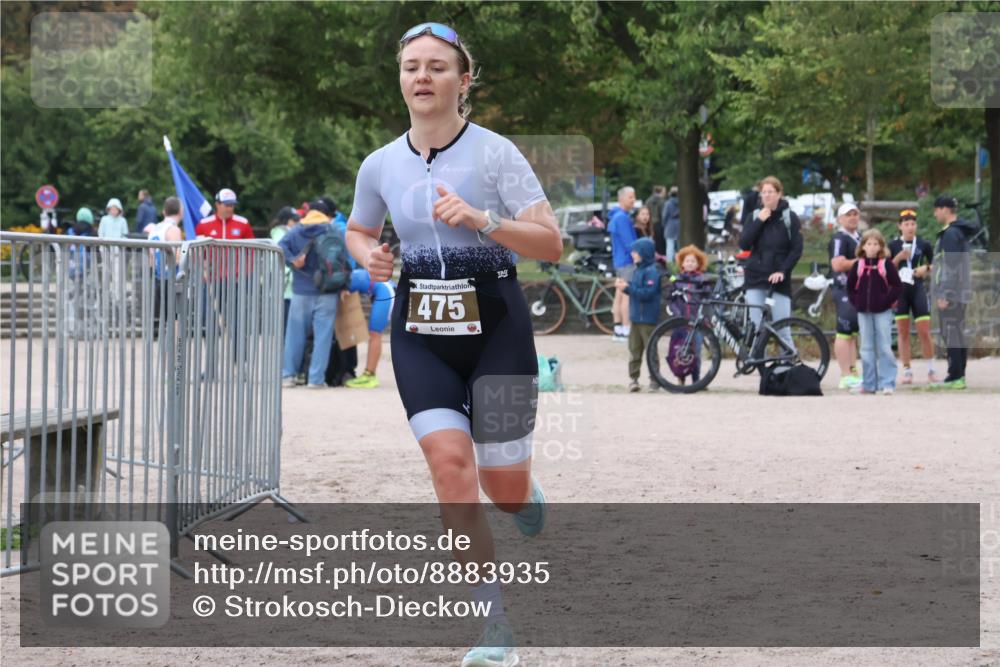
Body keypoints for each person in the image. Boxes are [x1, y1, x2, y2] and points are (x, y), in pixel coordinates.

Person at [344, 22, 561, 667]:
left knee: (503, 487)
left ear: (463, 81)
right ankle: (494, 630)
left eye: (437, 67)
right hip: (421, 332)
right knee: (449, 468)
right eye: (411, 66)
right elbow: (359, 230)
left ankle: (523, 494)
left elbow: (550, 243)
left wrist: (483, 220)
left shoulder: (497, 154)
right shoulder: (380, 164)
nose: (422, 77)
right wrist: (369, 258)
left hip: (497, 328)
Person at [279, 201, 341, 389]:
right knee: (323, 337)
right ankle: (316, 379)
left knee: (295, 335)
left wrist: (292, 260)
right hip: (328, 289)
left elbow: (280, 247)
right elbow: (344, 258)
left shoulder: (297, 230)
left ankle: (288, 375)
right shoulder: (334, 230)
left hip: (301, 290)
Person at [738, 176, 803, 344]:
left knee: (782, 329)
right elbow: (744, 244)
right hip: (755, 278)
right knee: (756, 329)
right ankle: (759, 360)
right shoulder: (754, 216)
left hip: (778, 281)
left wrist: (782, 271)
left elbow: (796, 250)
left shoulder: (790, 218)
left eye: (770, 192)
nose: (766, 195)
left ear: (779, 194)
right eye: (764, 192)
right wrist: (759, 221)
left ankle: (787, 359)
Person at [931, 194, 979, 390]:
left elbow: (951, 265)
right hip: (960, 290)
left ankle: (955, 376)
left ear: (944, 209)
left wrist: (945, 294)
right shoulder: (958, 232)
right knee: (956, 332)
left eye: (936, 210)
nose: (934, 214)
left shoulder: (951, 233)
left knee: (950, 332)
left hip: (953, 292)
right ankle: (959, 375)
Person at [847, 229, 903, 395]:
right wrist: (857, 302)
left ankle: (887, 383)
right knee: (866, 348)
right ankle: (869, 384)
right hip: (863, 312)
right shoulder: (858, 266)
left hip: (883, 312)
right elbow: (850, 288)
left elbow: (897, 286)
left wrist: (886, 301)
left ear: (880, 247)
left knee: (884, 346)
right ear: (863, 246)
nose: (872, 247)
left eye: (875, 244)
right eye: (868, 244)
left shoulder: (886, 265)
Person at [888, 209, 937, 385]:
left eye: (913, 224)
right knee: (903, 332)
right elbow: (886, 269)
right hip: (900, 292)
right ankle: (907, 370)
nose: (910, 227)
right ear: (900, 226)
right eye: (906, 224)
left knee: (924, 331)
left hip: (917, 289)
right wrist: (898, 258)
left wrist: (927, 268)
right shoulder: (893, 245)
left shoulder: (924, 244)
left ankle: (931, 369)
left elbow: (937, 264)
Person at [615, 237, 661, 392]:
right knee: (634, 350)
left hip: (648, 319)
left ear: (644, 253)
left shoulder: (652, 272)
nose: (632, 254)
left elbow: (647, 293)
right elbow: (636, 289)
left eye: (636, 251)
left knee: (651, 350)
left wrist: (627, 289)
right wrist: (626, 286)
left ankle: (655, 379)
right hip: (635, 318)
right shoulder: (637, 270)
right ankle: (634, 379)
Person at [828, 202, 862, 389]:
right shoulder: (839, 239)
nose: (852, 217)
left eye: (855, 214)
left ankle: (852, 370)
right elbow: (837, 264)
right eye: (848, 214)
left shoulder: (859, 238)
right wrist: (863, 261)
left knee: (852, 333)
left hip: (858, 291)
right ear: (840, 219)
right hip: (844, 288)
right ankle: (845, 374)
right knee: (844, 330)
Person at [343, 268, 396, 389]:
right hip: (384, 289)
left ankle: (370, 375)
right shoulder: (346, 276)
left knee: (375, 334)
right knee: (374, 334)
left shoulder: (343, 280)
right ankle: (369, 374)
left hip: (386, 293)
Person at [667, 244, 711, 386]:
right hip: (680, 322)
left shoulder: (702, 280)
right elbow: (670, 299)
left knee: (696, 351)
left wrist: (705, 318)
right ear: (682, 263)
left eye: (693, 261)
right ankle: (681, 378)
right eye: (687, 261)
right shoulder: (676, 280)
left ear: (698, 263)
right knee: (679, 350)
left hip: (697, 322)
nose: (690, 263)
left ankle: (696, 380)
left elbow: (707, 300)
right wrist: (676, 313)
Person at [609, 186, 638, 342]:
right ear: (621, 199)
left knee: (619, 295)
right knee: (626, 295)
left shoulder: (616, 216)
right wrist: (637, 255)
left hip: (619, 260)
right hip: (627, 261)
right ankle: (626, 329)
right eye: (631, 197)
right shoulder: (622, 218)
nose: (633, 200)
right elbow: (629, 242)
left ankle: (618, 329)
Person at [270, 206, 300, 329]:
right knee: (286, 327)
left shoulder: (287, 233)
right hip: (285, 288)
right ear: (286, 220)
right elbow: (279, 257)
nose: (297, 222)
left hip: (288, 288)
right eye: (294, 219)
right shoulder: (280, 234)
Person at [645, 185, 667, 255]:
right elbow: (663, 214)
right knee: (661, 243)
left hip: (649, 224)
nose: (665, 193)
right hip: (659, 224)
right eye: (664, 191)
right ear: (661, 192)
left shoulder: (648, 201)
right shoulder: (662, 201)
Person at [662, 185, 681, 264]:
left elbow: (664, 215)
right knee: (679, 246)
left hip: (670, 224)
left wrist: (664, 224)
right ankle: (680, 261)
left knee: (670, 245)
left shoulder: (668, 203)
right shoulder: (682, 202)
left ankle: (669, 263)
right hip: (680, 224)